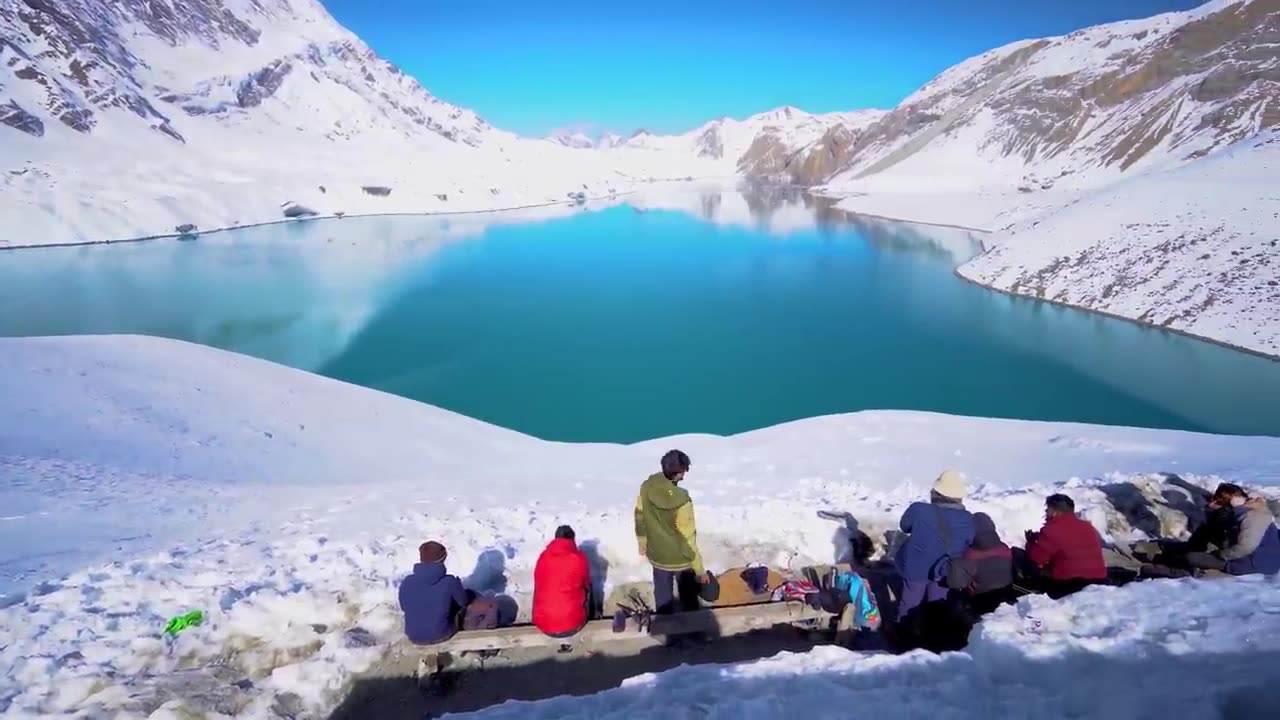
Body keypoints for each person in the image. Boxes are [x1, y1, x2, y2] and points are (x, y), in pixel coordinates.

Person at [894, 469, 976, 622]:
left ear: (937, 493)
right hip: (946, 570)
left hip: (915, 567)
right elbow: (969, 541)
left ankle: (905, 637)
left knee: (910, 606)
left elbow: (905, 526)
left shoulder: (919, 510)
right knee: (937, 607)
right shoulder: (968, 519)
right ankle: (933, 639)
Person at [635, 449, 706, 615]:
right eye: (683, 472)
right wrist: (699, 569)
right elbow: (688, 537)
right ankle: (692, 632)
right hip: (681, 560)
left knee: (662, 597)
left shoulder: (646, 488)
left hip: (658, 555)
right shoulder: (682, 501)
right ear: (678, 473)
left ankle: (667, 632)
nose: (684, 476)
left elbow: (639, 516)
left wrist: (642, 543)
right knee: (689, 600)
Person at [1021, 494, 1106, 598]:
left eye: (1048, 509)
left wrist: (1030, 543)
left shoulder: (1051, 530)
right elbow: (1070, 540)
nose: (1046, 512)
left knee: (1019, 557)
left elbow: (1037, 559)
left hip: (1067, 585)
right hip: (1098, 581)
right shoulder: (1087, 526)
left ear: (1056, 512)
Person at [1188, 483, 1280, 576]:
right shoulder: (1246, 510)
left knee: (1192, 558)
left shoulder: (1252, 517)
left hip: (1255, 565)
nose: (1212, 504)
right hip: (1262, 556)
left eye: (1219, 502)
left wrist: (1220, 555)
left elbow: (1246, 547)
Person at [398, 540, 469, 645]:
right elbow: (463, 602)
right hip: (441, 634)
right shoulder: (449, 581)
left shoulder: (407, 581)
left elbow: (404, 607)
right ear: (442, 559)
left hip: (413, 636)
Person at [947, 512, 1014, 615]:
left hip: (980, 598)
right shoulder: (1004, 548)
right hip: (1005, 594)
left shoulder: (970, 555)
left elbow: (955, 583)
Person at [533, 525, 592, 637]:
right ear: (572, 540)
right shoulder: (579, 558)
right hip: (573, 624)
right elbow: (586, 584)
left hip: (544, 626)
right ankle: (592, 615)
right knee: (587, 588)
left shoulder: (542, 557)